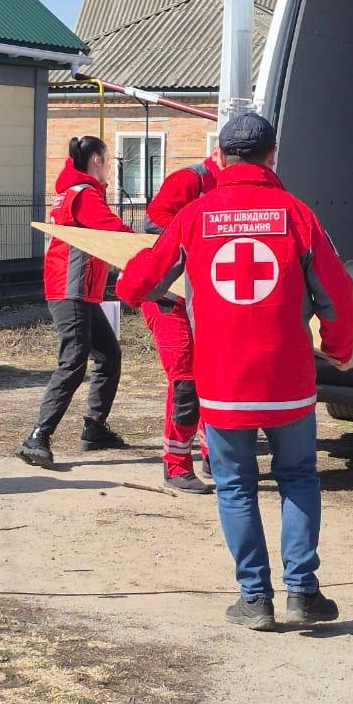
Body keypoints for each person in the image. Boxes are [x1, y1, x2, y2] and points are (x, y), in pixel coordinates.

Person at [117, 112, 353, 630]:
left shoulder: (194, 216)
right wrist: (339, 348)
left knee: (235, 487)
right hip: (288, 380)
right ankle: (303, 592)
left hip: (222, 381)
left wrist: (136, 271)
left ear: (222, 158)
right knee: (298, 477)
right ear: (272, 155)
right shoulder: (297, 215)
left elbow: (138, 285)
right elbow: (338, 295)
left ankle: (255, 599)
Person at [18, 136, 131, 467]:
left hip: (80, 291)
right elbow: (113, 230)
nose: (110, 167)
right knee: (73, 362)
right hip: (72, 290)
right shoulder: (84, 195)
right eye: (108, 160)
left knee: (109, 355)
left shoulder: (75, 191)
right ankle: (38, 436)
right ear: (96, 160)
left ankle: (94, 428)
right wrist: (149, 246)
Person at [140, 152, 223, 494]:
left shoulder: (233, 184)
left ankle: (215, 457)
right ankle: (176, 465)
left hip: (200, 298)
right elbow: (153, 220)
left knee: (213, 377)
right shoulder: (191, 178)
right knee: (186, 382)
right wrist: (199, 234)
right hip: (168, 298)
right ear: (221, 152)